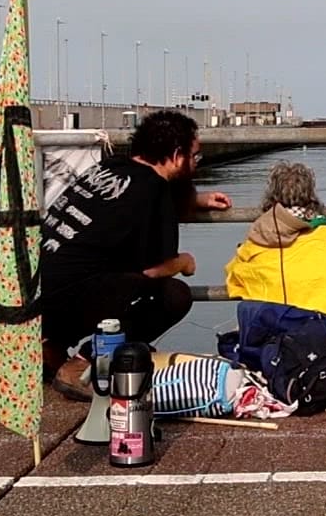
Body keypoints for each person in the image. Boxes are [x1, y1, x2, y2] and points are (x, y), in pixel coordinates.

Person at [36, 110, 231, 399]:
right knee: (172, 295)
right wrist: (184, 262)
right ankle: (84, 364)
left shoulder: (111, 167)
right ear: (177, 155)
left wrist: (196, 200)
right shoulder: (154, 190)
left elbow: (124, 209)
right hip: (70, 299)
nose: (195, 163)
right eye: (194, 156)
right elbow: (153, 271)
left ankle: (50, 348)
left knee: (107, 279)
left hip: (39, 292)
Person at [224, 161, 326, 321]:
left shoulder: (258, 239)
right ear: (311, 195)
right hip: (321, 330)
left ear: (271, 196)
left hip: (269, 333)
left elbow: (235, 278)